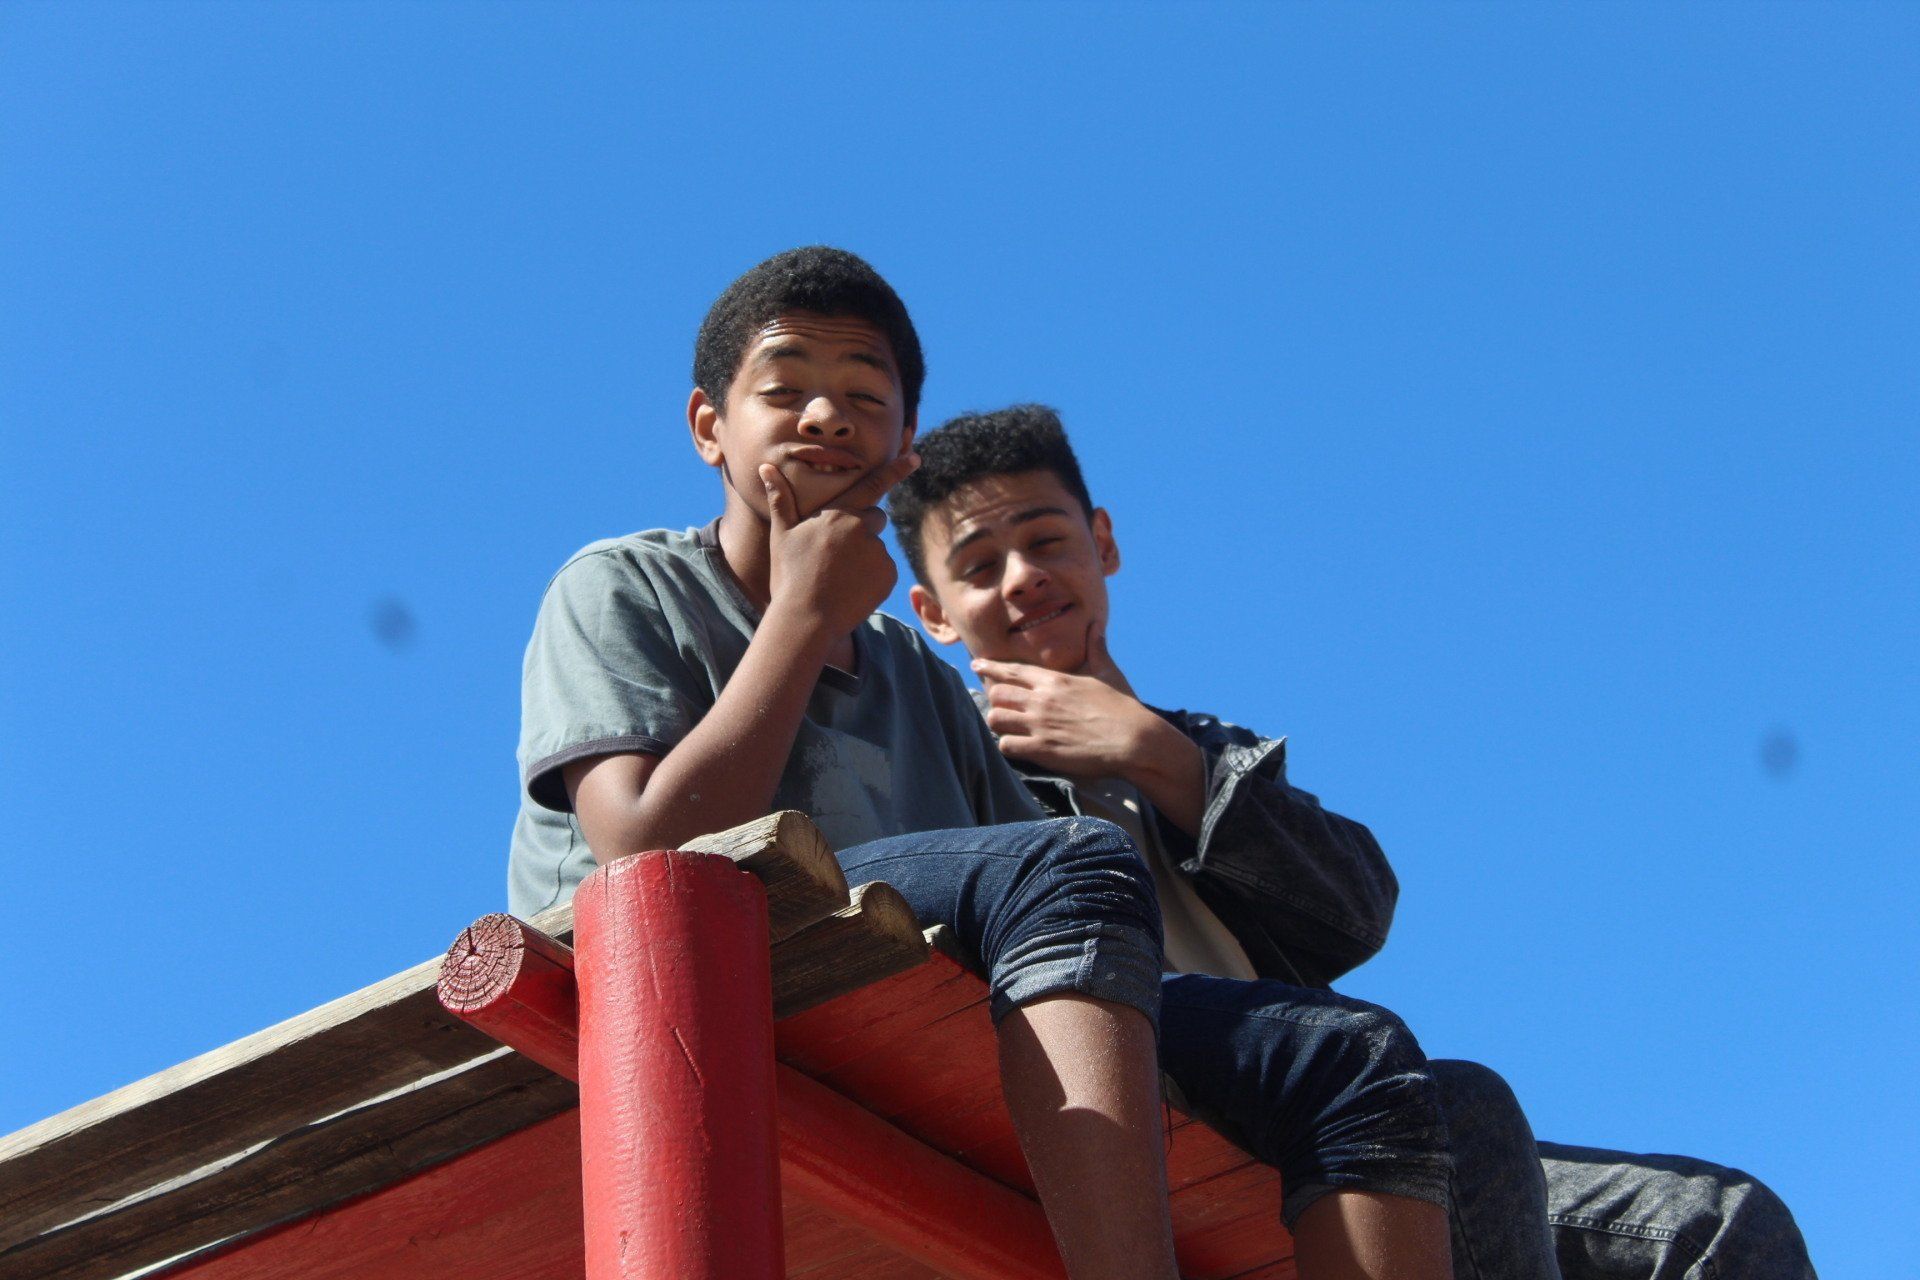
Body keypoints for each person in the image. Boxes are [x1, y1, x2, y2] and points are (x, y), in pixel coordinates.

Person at [506, 247, 1454, 1280]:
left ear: (904, 440)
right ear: (708, 427)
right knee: (1071, 861)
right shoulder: (623, 587)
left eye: (862, 395)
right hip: (688, 987)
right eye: (785, 391)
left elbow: (1078, 898)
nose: (825, 416)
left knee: (1369, 1060)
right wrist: (802, 613)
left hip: (908, 993)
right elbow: (647, 851)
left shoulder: (910, 671)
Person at [890, 403, 1819, 1280]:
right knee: (1463, 1104)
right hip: (1140, 1107)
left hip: (1329, 1096)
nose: (1023, 577)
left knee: (1717, 1220)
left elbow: (1359, 911)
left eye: (1046, 541)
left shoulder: (1200, 749)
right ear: (934, 613)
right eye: (979, 566)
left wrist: (1159, 756)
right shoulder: (946, 758)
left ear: (1103, 541)